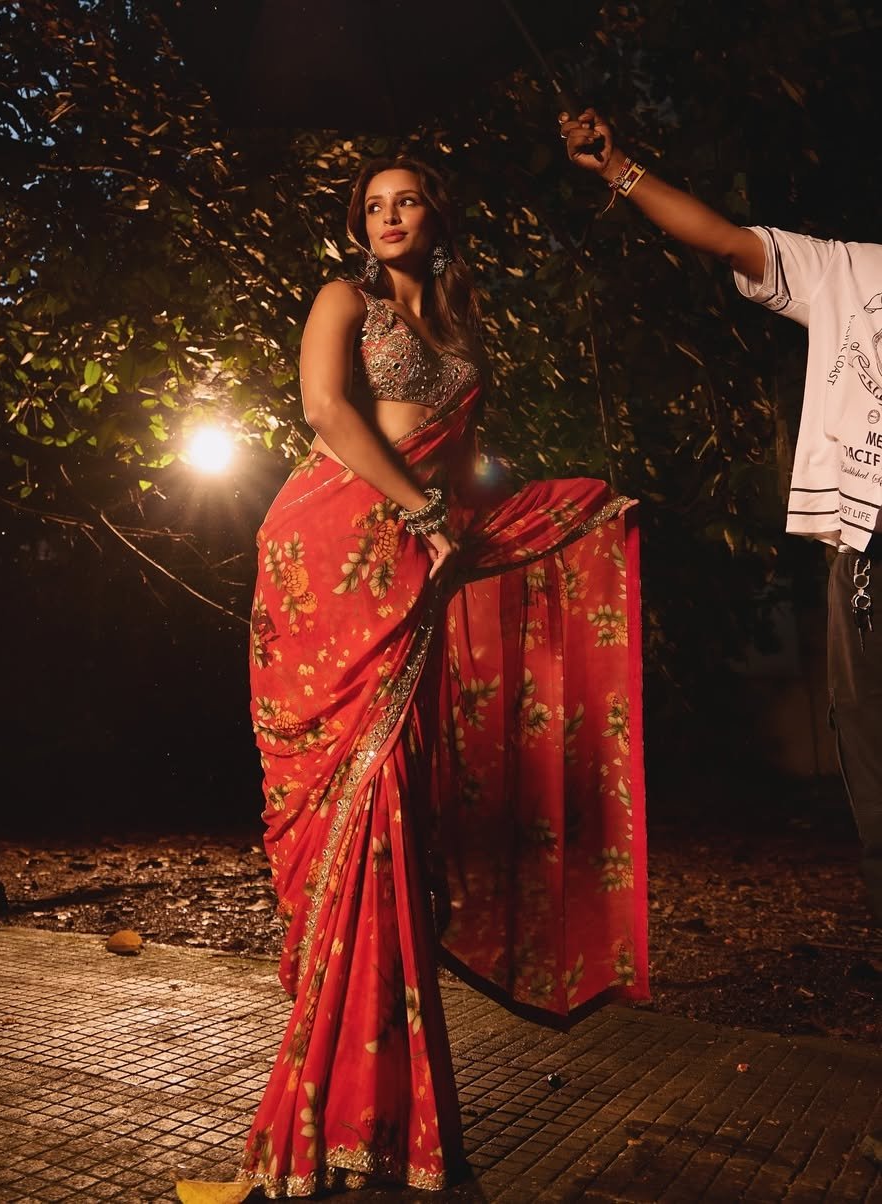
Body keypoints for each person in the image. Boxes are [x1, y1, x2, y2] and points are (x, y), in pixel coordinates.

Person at [235, 156, 649, 1197]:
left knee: (392, 820)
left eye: (405, 201)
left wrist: (567, 513)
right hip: (334, 549)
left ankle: (371, 1122)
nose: (387, 217)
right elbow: (327, 411)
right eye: (372, 206)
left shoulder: (464, 332)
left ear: (437, 216)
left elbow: (463, 482)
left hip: (415, 559)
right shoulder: (344, 300)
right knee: (356, 806)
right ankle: (339, 1118)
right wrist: (418, 513)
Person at [559, 108, 882, 929]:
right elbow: (727, 241)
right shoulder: (852, 271)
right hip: (869, 554)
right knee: (870, 748)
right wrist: (621, 169)